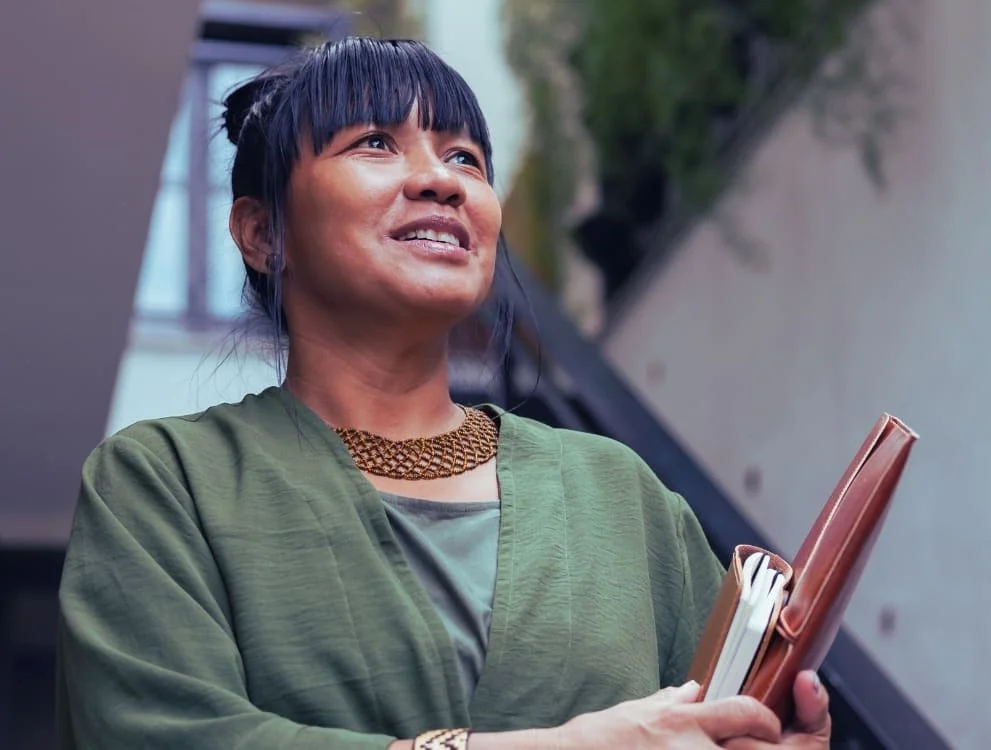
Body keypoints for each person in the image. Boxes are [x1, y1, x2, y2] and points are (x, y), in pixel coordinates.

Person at [56, 37, 831, 750]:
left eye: (466, 157)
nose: (441, 180)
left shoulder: (620, 495)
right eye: (373, 143)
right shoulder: (165, 484)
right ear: (262, 234)